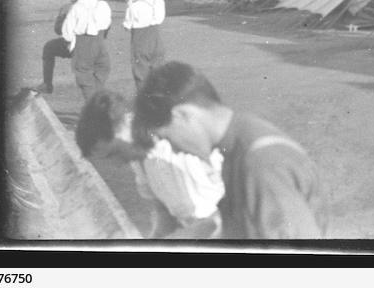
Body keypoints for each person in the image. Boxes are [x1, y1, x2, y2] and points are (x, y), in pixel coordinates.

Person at [134, 62, 327, 239]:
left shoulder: (259, 164)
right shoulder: (238, 140)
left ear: (182, 115)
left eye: (168, 138)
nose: (175, 151)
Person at [76, 89, 224, 239]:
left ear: (126, 122)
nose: (117, 165)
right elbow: (164, 211)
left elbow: (226, 214)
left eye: (114, 153)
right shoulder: (141, 160)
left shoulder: (180, 145)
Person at [55, 0, 112, 98]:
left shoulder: (75, 8)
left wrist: (71, 41)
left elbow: (67, 30)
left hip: (82, 42)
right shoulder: (102, 5)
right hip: (99, 40)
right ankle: (97, 93)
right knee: (102, 67)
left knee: (83, 72)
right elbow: (107, 23)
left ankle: (92, 99)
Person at [123, 0, 167, 88]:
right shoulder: (158, 0)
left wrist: (129, 3)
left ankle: (144, 100)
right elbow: (160, 18)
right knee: (158, 72)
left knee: (141, 74)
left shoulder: (134, 5)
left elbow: (127, 26)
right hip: (156, 39)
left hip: (140, 40)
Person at [34, 0, 76, 94]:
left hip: (74, 45)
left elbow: (58, 30)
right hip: (95, 46)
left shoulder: (68, 7)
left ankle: (47, 84)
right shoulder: (101, 6)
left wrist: (62, 17)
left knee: (49, 47)